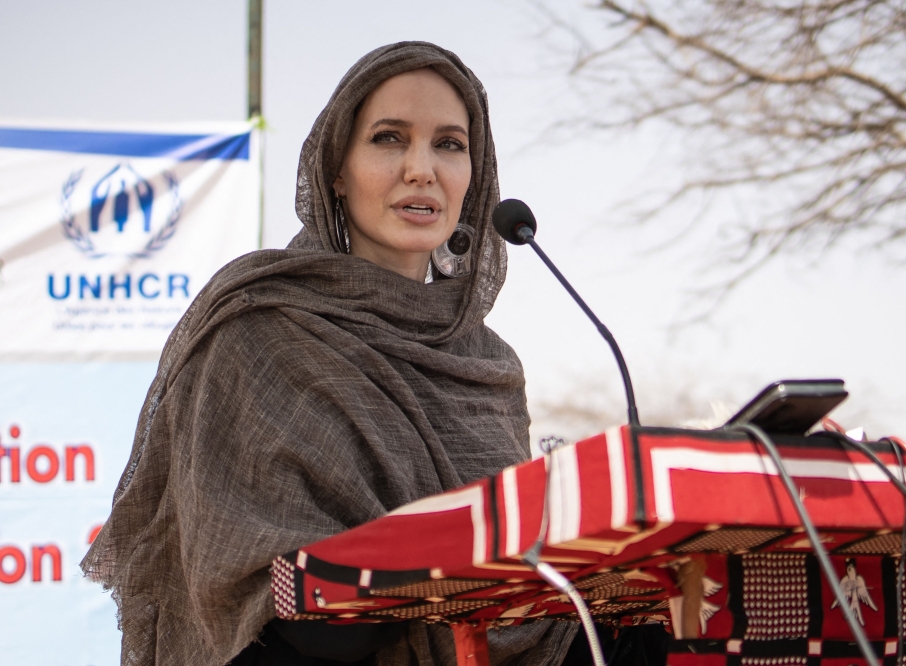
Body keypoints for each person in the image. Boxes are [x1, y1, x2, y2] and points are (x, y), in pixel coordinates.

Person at [81, 42, 578, 666]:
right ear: (337, 169)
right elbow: (246, 594)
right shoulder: (261, 329)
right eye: (389, 138)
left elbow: (528, 589)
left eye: (449, 144)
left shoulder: (489, 368)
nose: (422, 168)